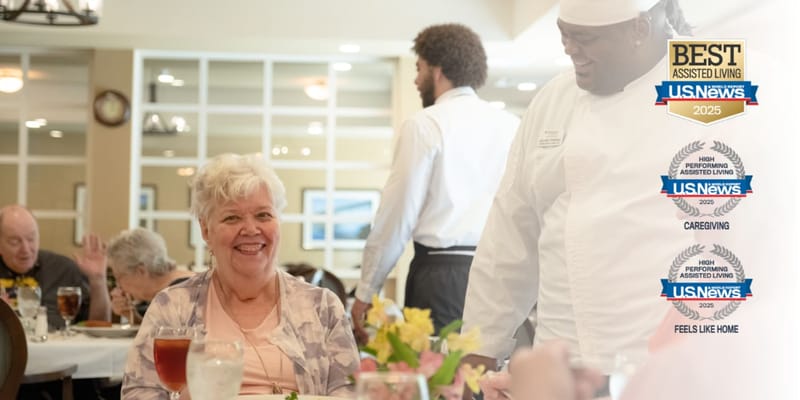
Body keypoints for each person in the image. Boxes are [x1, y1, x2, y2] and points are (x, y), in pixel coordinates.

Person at [122, 153, 359, 398]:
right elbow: (137, 393)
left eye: (263, 215)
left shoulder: (322, 308)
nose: (250, 229)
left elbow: (349, 393)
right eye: (232, 217)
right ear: (206, 230)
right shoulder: (173, 307)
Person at [351, 23, 520, 340]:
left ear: (438, 70)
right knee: (486, 380)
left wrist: (365, 291)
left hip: (441, 276)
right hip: (500, 274)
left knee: (439, 382)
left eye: (419, 68)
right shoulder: (511, 125)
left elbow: (396, 217)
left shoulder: (424, 125)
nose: (416, 80)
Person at [0, 204, 110, 329]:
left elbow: (99, 325)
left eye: (31, 239)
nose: (25, 249)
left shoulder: (63, 269)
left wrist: (98, 280)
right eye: (15, 242)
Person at [78, 228, 194, 324]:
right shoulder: (172, 287)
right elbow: (159, 332)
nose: (119, 287)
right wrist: (130, 314)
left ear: (141, 271)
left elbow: (168, 342)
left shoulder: (179, 291)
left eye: (119, 278)